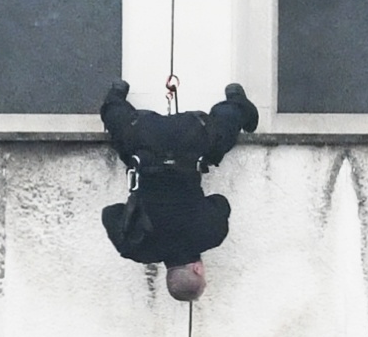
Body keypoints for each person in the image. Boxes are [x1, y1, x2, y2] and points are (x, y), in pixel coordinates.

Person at [99, 77, 260, 299]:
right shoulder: (136, 248)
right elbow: (110, 213)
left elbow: (220, 202)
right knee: (117, 124)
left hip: (192, 137)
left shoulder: (211, 235)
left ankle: (236, 102)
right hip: (144, 138)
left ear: (197, 269)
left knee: (221, 137)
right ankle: (117, 95)